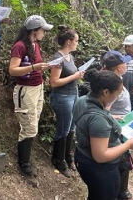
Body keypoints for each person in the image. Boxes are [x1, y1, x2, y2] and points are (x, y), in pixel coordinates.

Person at [72, 70, 133, 200]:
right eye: (117, 94)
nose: (118, 97)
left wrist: (112, 117)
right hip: (100, 169)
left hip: (82, 156)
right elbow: (100, 156)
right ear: (105, 92)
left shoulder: (82, 100)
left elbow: (87, 121)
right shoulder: (98, 120)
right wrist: (128, 144)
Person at [8, 15, 53, 187]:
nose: (44, 33)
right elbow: (13, 70)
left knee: (33, 124)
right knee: (29, 127)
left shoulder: (35, 45)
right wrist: (34, 67)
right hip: (25, 91)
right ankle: (24, 165)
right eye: (43, 30)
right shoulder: (20, 46)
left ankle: (26, 161)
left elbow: (35, 66)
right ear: (34, 31)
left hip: (37, 88)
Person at [48, 26, 84, 177]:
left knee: (72, 128)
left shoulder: (70, 57)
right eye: (76, 41)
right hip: (63, 98)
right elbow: (54, 82)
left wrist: (78, 74)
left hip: (73, 95)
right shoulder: (58, 58)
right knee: (63, 128)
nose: (77, 43)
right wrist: (74, 76)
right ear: (68, 41)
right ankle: (58, 159)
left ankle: (68, 156)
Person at [100, 51, 133, 200]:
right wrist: (118, 118)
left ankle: (122, 190)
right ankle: (120, 193)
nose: (126, 65)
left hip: (123, 125)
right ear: (118, 67)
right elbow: (103, 112)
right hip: (117, 128)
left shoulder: (117, 80)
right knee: (120, 161)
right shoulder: (112, 85)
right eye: (124, 63)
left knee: (123, 160)